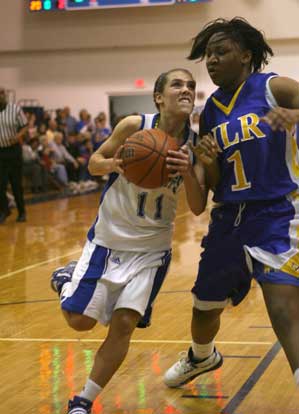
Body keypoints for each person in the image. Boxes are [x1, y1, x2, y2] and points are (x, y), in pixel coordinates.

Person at [50, 68, 211, 414]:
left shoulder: (196, 145)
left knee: (124, 325)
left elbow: (198, 207)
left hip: (152, 249)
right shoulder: (134, 126)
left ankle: (83, 401)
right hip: (109, 241)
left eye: (191, 86)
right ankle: (66, 279)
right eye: (178, 85)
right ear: (158, 97)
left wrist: (186, 170)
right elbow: (93, 164)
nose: (187, 90)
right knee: (80, 322)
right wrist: (116, 164)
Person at [163, 17, 299, 390]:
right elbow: (205, 194)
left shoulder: (272, 87)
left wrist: (295, 114)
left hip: (276, 213)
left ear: (246, 55)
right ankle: (201, 356)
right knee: (204, 308)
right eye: (208, 54)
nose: (211, 60)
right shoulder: (210, 112)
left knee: (283, 307)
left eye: (221, 52)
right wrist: (200, 165)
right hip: (227, 219)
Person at [0, 87, 28, 223]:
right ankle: (5, 210)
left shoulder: (15, 109)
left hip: (13, 151)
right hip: (0, 151)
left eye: (1, 93)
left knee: (16, 183)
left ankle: (22, 212)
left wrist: (18, 136)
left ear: (4, 95)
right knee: (1, 184)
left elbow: (25, 126)